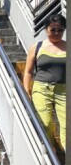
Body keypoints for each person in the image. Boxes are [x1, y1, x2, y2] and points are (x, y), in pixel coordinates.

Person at [24, 14, 67, 156]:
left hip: (64, 90)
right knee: (46, 123)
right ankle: (49, 153)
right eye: (52, 30)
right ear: (45, 29)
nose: (56, 33)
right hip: (42, 88)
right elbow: (28, 72)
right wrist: (26, 90)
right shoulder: (37, 47)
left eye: (60, 30)